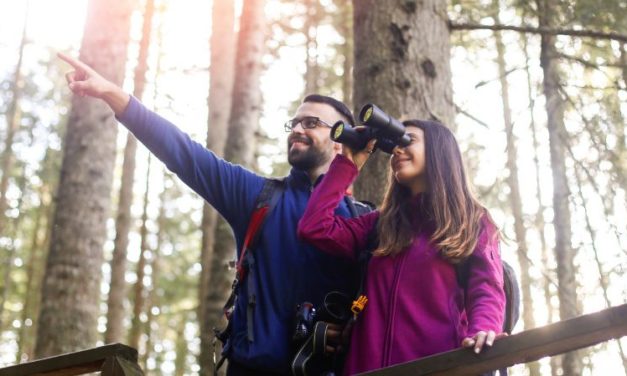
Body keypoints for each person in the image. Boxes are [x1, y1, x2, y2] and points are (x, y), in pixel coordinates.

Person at [59, 52, 364, 375]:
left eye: (312, 123)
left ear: (339, 143)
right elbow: (183, 154)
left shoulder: (361, 218)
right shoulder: (258, 196)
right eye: (295, 122)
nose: (298, 129)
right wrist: (110, 92)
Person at [297, 119, 507, 375]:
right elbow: (314, 227)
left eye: (409, 140)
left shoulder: (470, 221)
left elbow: (486, 288)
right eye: (394, 144)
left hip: (435, 367)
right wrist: (348, 163)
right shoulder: (379, 224)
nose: (396, 150)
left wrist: (483, 330)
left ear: (439, 151)